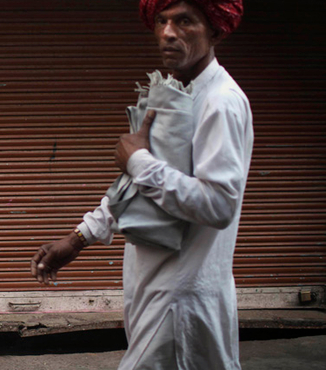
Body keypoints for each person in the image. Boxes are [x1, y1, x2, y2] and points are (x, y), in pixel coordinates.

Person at [31, 1, 252, 369]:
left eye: (185, 22)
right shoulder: (172, 93)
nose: (168, 33)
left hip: (182, 298)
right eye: (162, 21)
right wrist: (79, 237)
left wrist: (138, 160)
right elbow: (139, 184)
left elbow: (219, 205)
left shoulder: (220, 103)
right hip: (151, 286)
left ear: (214, 30)